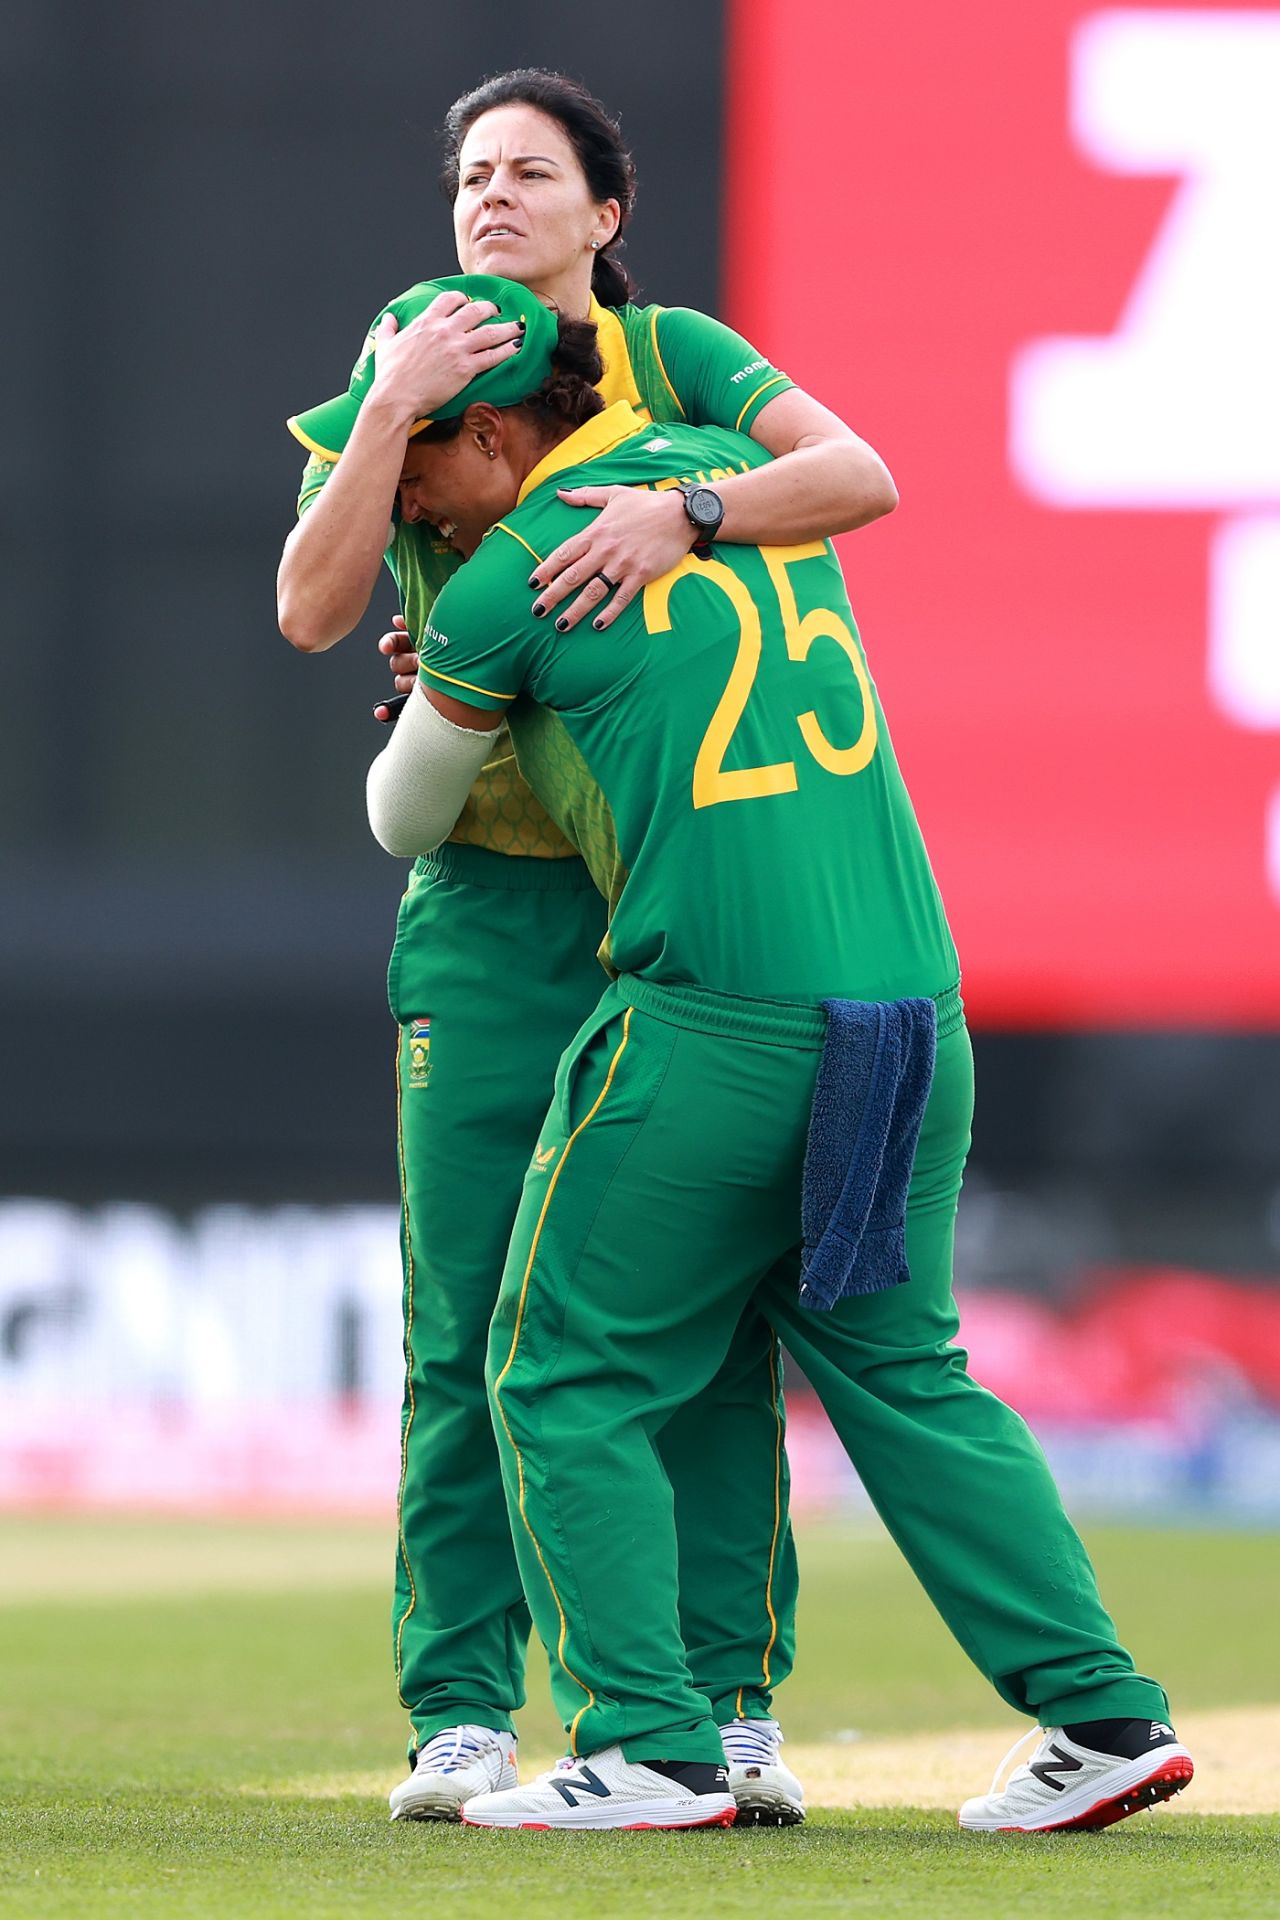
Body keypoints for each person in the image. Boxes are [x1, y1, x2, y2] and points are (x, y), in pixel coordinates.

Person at [364, 284, 1195, 1836]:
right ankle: (1106, 1716)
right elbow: (855, 476)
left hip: (716, 1030)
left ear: (492, 429)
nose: (401, 494)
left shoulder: (498, 582)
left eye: (412, 455)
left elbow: (402, 821)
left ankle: (653, 1748)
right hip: (907, 1018)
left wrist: (453, 689)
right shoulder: (726, 480)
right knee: (899, 1367)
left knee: (558, 1366)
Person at [278, 68, 897, 1826]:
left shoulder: (680, 360)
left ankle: (721, 1705)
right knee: (462, 1317)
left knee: (699, 1326)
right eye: (469, 172)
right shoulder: (412, 348)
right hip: (490, 914)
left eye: (528, 172)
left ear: (603, 214)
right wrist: (393, 409)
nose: (487, 197)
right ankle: (462, 1709)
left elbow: (859, 478)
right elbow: (316, 608)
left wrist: (682, 510)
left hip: (678, 904)